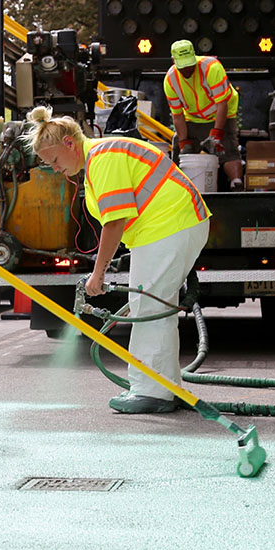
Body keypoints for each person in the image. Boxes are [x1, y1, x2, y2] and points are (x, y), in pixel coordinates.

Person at [25, 105, 210, 414]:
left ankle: (152, 391)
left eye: (55, 160)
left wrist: (97, 275)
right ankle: (163, 385)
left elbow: (115, 222)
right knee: (152, 307)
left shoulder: (102, 158)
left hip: (168, 226)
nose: (55, 169)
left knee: (150, 309)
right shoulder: (96, 162)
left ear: (70, 143)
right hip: (167, 227)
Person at [163, 39, 243, 189]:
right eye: (182, 66)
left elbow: (222, 104)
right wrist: (184, 142)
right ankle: (175, 187)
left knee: (227, 146)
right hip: (193, 117)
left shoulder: (211, 68)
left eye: (190, 64)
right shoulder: (170, 80)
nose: (187, 68)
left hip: (221, 113)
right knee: (178, 147)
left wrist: (217, 134)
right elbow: (178, 116)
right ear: (174, 61)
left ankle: (236, 184)